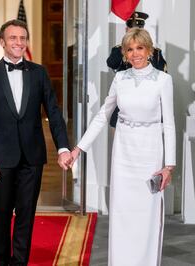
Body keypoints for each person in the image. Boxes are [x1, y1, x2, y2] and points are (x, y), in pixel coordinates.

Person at [70, 28, 175, 265]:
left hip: (150, 152)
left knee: (147, 216)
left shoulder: (163, 80)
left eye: (140, 48)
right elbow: (102, 115)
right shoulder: (120, 79)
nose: (135, 53)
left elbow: (168, 124)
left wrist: (169, 166)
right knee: (122, 214)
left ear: (149, 50)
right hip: (123, 152)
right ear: (125, 54)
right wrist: (79, 149)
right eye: (130, 49)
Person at [0, 19, 71, 266]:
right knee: (2, 215)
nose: (19, 42)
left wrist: (62, 146)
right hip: (0, 158)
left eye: (22, 38)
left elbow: (54, 111)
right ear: (2, 42)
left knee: (26, 215)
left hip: (32, 157)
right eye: (13, 38)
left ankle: (19, 262)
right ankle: (1, 261)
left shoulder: (39, 73)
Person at [107, 11, 167, 127]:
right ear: (126, 30)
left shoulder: (155, 53)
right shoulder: (119, 50)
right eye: (132, 28)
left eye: (138, 28)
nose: (135, 31)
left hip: (148, 109)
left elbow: (161, 80)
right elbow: (112, 63)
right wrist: (126, 45)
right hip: (123, 108)